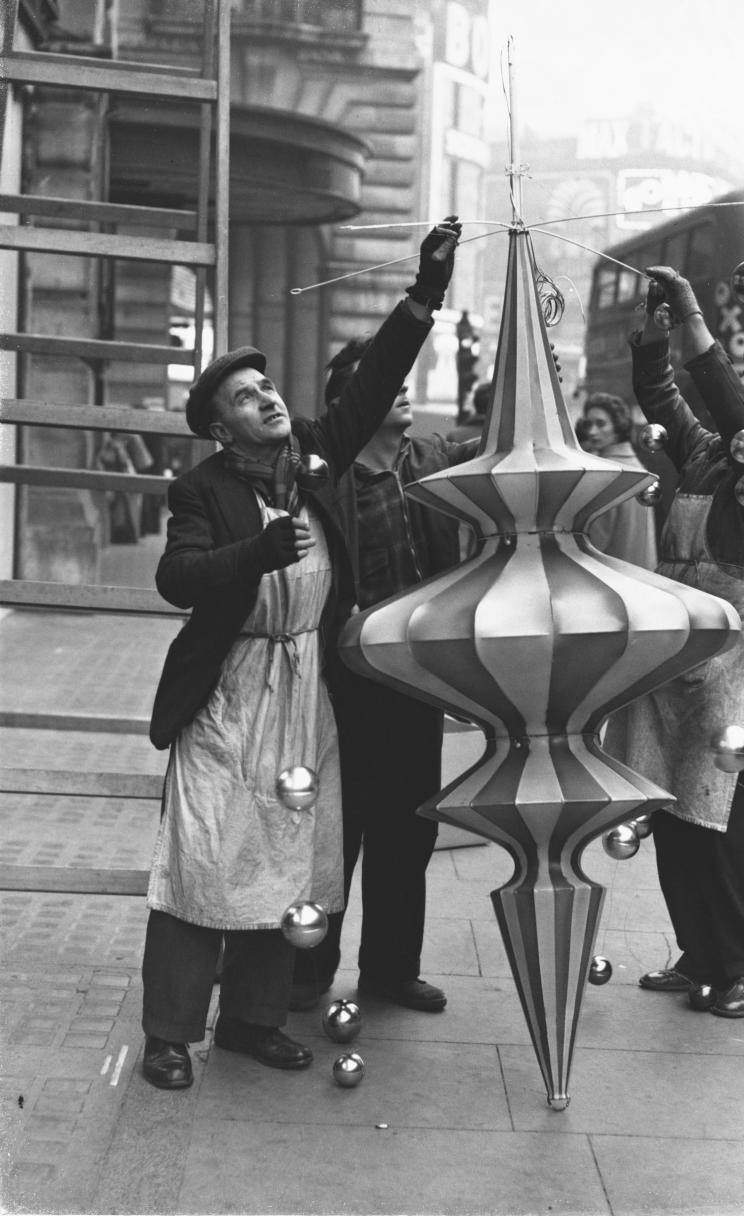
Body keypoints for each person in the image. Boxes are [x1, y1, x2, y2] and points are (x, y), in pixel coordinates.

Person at [138, 217, 461, 1090]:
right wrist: (256, 554)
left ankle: (251, 1019)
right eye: (244, 397)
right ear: (218, 427)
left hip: (306, 686)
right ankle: (170, 1033)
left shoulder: (314, 453)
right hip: (229, 691)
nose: (267, 399)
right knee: (204, 852)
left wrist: (424, 294)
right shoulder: (200, 488)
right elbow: (178, 578)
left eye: (267, 386)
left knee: (290, 851)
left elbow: (379, 380)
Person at [603, 265, 744, 1018]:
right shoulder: (701, 457)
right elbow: (665, 399)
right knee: (669, 804)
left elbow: (717, 392)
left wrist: (692, 318)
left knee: (724, 805)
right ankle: (698, 953)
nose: (733, 408)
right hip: (678, 638)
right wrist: (652, 347)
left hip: (730, 650)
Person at [290, 349, 479, 1014]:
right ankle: (308, 971)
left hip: (415, 679)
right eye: (384, 384)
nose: (400, 391)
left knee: (410, 829)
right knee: (335, 830)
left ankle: (392, 970)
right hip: (342, 681)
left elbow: (508, 439)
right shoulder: (325, 472)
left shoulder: (429, 459)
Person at [579, 391, 658, 570]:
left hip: (611, 580)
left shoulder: (604, 474)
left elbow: (592, 544)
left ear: (618, 426)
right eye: (588, 424)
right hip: (643, 579)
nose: (592, 432)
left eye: (601, 424)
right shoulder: (638, 468)